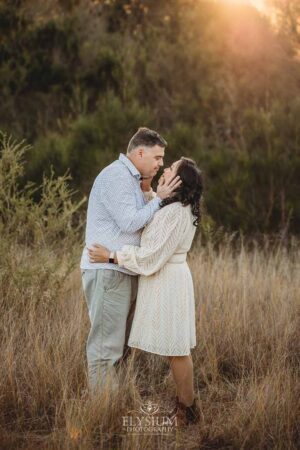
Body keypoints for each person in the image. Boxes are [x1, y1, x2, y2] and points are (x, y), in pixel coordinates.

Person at [88, 157, 203, 425]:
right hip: (165, 278)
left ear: (179, 181)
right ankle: (187, 407)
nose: (165, 169)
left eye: (171, 168)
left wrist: (111, 256)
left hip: (169, 281)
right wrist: (149, 190)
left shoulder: (176, 212)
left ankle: (187, 409)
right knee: (174, 347)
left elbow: (151, 256)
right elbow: (156, 213)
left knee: (176, 348)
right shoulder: (174, 206)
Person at [80, 127, 182, 394]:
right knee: (106, 349)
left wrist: (150, 194)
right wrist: (159, 199)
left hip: (120, 269)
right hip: (107, 271)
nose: (160, 163)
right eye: (158, 157)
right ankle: (103, 416)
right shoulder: (117, 176)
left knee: (120, 347)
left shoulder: (132, 180)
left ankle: (114, 405)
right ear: (140, 152)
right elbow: (129, 221)